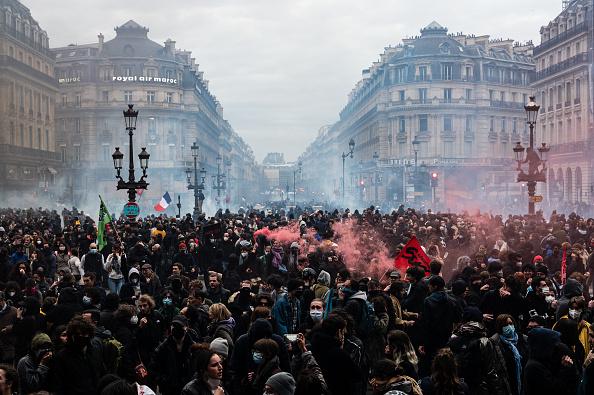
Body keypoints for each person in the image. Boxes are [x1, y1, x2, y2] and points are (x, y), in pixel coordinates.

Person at [52, 316, 106, 394]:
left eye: (84, 334)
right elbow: (58, 385)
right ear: (71, 335)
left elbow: (102, 373)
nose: (82, 337)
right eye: (78, 334)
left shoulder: (94, 351)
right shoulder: (62, 356)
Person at [150, 314, 196, 395]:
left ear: (186, 328)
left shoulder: (193, 347)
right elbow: (153, 367)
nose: (176, 328)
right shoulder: (163, 347)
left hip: (188, 389)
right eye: (174, 326)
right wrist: (163, 381)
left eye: (179, 326)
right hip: (169, 389)